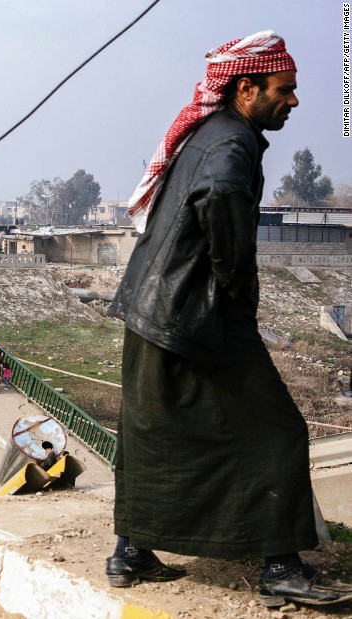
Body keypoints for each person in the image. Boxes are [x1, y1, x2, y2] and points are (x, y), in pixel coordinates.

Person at [105, 32, 351, 607]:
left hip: (151, 307)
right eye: (284, 90)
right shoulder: (232, 146)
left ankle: (131, 551)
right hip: (197, 315)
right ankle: (281, 568)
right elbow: (219, 199)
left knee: (156, 431)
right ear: (247, 88)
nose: (292, 101)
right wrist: (235, 276)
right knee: (276, 429)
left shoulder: (212, 133)